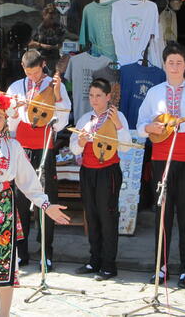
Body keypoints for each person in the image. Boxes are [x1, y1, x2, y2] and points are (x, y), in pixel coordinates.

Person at [0, 91, 70, 317]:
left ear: (6, 119)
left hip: (4, 208)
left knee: (6, 266)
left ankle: (4, 315)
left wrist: (46, 206)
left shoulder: (14, 147)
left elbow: (29, 182)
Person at [137, 42, 185, 288]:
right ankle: (161, 266)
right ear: (164, 65)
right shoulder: (154, 92)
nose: (175, 66)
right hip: (161, 159)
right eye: (171, 62)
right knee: (162, 214)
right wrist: (150, 128)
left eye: (180, 62)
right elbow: (140, 126)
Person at [6, 49, 71, 270]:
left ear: (43, 64)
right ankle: (20, 251)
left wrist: (58, 96)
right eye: (28, 73)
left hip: (45, 147)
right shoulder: (17, 87)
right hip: (21, 148)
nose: (32, 77)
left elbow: (61, 122)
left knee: (46, 200)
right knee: (20, 200)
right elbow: (9, 121)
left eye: (35, 72)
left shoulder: (54, 85)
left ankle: (46, 251)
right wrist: (15, 108)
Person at [70, 78, 131, 281]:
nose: (94, 100)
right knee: (92, 216)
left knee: (108, 216)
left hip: (108, 172)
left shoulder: (117, 116)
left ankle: (108, 265)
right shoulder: (84, 118)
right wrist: (80, 140)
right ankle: (93, 260)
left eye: (98, 96)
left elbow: (126, 147)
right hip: (88, 171)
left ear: (108, 97)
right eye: (91, 96)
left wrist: (118, 125)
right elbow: (74, 148)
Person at [27, 3, 67, 74]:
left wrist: (55, 46)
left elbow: (60, 43)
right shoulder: (39, 28)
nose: (52, 18)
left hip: (54, 59)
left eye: (54, 16)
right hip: (41, 59)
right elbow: (30, 43)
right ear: (44, 15)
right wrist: (41, 45)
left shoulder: (59, 28)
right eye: (50, 17)